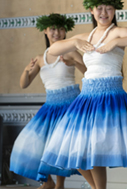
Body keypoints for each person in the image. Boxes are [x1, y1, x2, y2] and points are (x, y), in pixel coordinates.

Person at [40, 0, 127, 189]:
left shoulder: (116, 32)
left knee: (95, 149)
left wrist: (116, 42)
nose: (104, 12)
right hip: (87, 97)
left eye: (109, 8)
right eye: (99, 8)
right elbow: (53, 50)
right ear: (91, 10)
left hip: (109, 96)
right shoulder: (86, 37)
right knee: (73, 148)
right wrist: (74, 42)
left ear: (114, 10)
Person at [10, 13, 85, 189]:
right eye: (52, 29)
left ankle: (59, 185)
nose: (57, 33)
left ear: (65, 31)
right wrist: (26, 71)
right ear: (45, 31)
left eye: (60, 29)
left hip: (70, 104)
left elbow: (89, 71)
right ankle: (48, 181)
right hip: (50, 105)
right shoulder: (40, 58)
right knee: (34, 143)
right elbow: (24, 84)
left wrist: (74, 63)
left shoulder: (70, 51)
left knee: (60, 146)